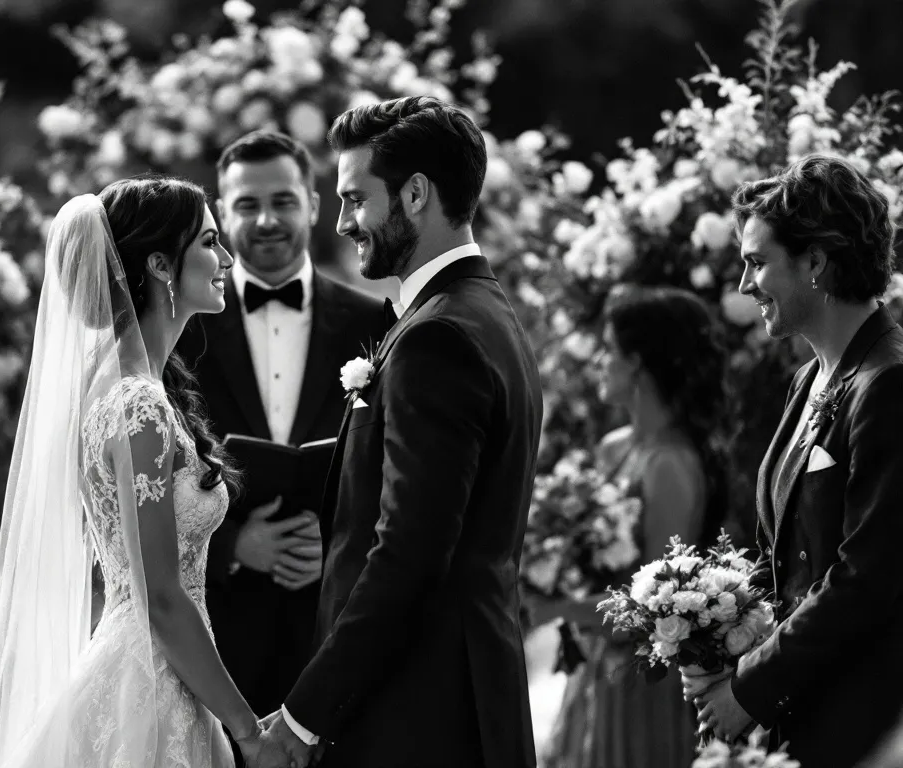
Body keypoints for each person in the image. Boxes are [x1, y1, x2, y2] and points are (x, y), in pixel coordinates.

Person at [0, 176, 293, 768]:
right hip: (150, 690)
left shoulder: (117, 383)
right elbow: (160, 598)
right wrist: (246, 729)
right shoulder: (137, 405)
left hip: (165, 676)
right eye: (211, 242)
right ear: (161, 264)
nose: (226, 260)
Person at [261, 95, 543, 767]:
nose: (343, 222)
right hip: (461, 700)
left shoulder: (436, 337)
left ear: (415, 193)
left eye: (356, 199)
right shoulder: (484, 314)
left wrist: (303, 718)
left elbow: (408, 553)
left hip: (420, 717)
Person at [686, 153, 903, 768]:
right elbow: (781, 553)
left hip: (865, 716)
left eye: (757, 263)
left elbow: (867, 578)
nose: (744, 285)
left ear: (815, 261)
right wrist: (713, 638)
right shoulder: (806, 378)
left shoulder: (889, 383)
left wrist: (749, 688)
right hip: (801, 706)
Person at [176, 131, 388, 730]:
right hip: (213, 641)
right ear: (221, 212)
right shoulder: (180, 331)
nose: (266, 219)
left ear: (315, 205)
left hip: (335, 636)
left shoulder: (377, 321)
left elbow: (397, 467)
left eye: (284, 201)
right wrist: (234, 544)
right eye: (246, 205)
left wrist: (340, 546)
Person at [540, 284, 729, 768]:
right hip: (595, 668)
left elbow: (653, 612)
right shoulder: (613, 447)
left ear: (638, 363)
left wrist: (552, 607)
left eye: (610, 349)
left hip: (642, 681)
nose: (600, 360)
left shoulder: (670, 465)